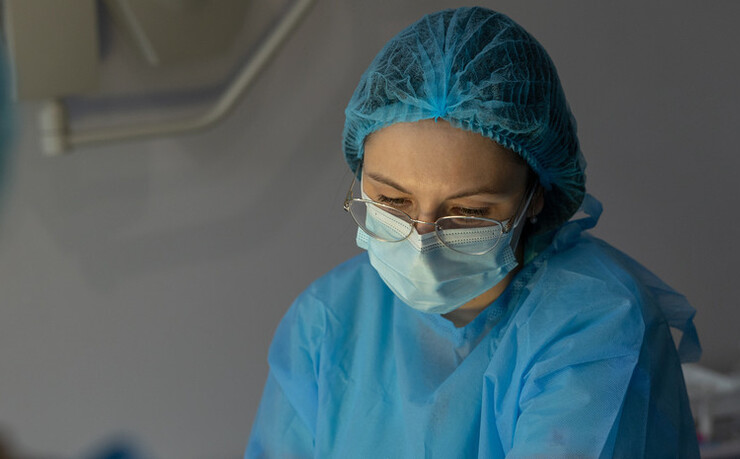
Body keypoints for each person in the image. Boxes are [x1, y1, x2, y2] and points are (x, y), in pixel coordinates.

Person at [246, 6, 701, 458]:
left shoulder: (593, 323)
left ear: (535, 196)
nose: (421, 239)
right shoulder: (326, 320)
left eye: (468, 211)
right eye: (392, 201)